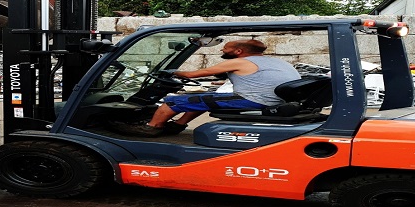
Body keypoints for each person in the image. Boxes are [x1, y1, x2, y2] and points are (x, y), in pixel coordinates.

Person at [120, 39, 300, 137]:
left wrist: (174, 72)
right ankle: (178, 125)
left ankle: (152, 127)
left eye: (225, 49)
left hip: (254, 101)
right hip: (273, 100)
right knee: (203, 98)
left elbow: (193, 74)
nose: (222, 52)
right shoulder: (273, 61)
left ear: (238, 51)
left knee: (171, 102)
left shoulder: (240, 61)